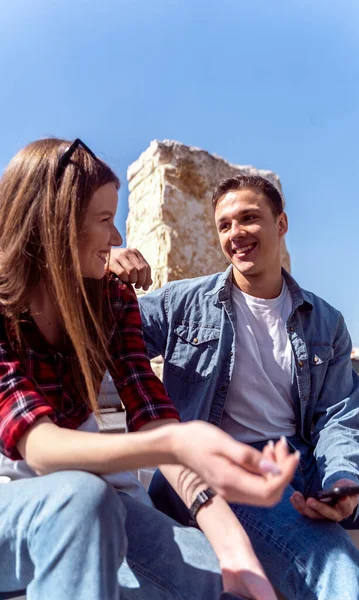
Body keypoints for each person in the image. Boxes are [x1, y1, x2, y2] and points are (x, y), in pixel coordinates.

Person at [0, 142, 301, 600]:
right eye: (104, 220)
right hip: (15, 502)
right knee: (80, 499)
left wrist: (232, 546)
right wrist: (175, 441)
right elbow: (37, 446)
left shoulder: (112, 303)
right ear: (56, 223)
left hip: (102, 499)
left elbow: (152, 411)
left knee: (228, 586)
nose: (117, 238)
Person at [110, 174, 359, 600]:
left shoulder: (325, 321)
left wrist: (342, 479)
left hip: (307, 460)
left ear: (281, 223)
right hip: (232, 472)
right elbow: (100, 329)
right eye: (225, 225)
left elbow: (337, 417)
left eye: (249, 218)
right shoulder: (182, 304)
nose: (236, 234)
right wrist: (100, 266)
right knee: (335, 567)